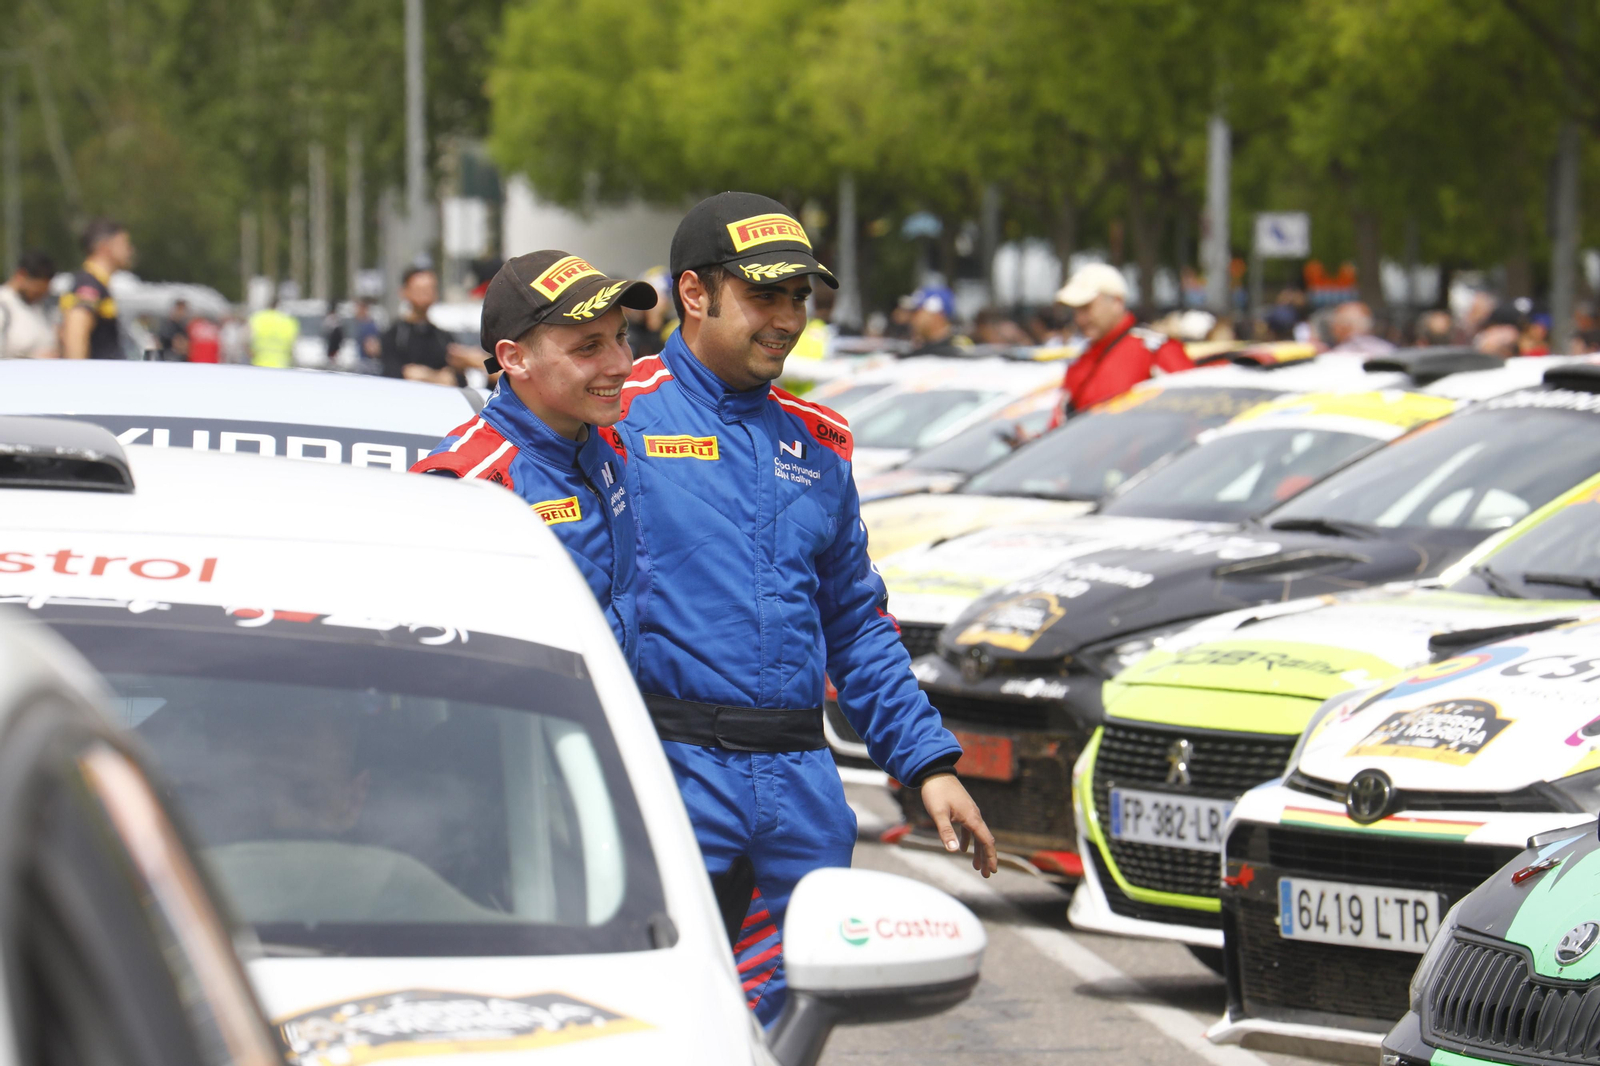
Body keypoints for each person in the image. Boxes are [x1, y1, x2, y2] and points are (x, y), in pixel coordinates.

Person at [611, 192, 996, 1024]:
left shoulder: (819, 442)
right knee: (665, 1027)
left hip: (800, 793)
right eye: (764, 295)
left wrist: (928, 763)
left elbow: (856, 624)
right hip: (670, 777)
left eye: (800, 297)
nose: (788, 318)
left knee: (783, 1033)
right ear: (693, 294)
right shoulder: (617, 414)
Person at [410, 250, 657, 660]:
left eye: (620, 337)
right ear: (514, 358)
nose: (621, 365)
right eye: (588, 348)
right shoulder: (464, 483)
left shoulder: (606, 444)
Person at [1052, 262, 1193, 422]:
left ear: (1117, 303)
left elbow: (1193, 414)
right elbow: (1060, 424)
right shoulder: (1082, 360)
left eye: (1086, 307)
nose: (1080, 318)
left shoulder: (1153, 350)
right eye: (1075, 310)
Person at [380, 267, 482, 385]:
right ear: (404, 291)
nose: (425, 295)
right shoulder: (394, 336)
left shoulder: (443, 338)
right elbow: (391, 374)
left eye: (429, 289)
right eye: (419, 289)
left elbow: (459, 379)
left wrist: (426, 376)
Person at [60, 217, 134, 360]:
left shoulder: (96, 283)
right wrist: (79, 378)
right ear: (104, 247)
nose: (129, 250)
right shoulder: (88, 285)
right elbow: (75, 336)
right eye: (124, 243)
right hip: (95, 380)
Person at [0, 250, 58, 359]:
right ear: (21, 275)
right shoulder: (4, 305)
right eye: (37, 290)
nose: (41, 296)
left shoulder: (41, 307)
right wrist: (32, 360)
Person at [903, 285, 966, 356]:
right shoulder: (920, 352)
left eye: (917, 311)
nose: (912, 318)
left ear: (936, 315)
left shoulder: (955, 356)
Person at [1326, 300, 1394, 355]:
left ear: (1344, 327)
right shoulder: (1387, 349)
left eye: (1335, 324)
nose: (1332, 329)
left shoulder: (1339, 354)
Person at [248, 295, 299, 368]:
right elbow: (294, 346)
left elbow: (245, 341)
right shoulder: (289, 321)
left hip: (259, 364)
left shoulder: (257, 318)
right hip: (282, 365)